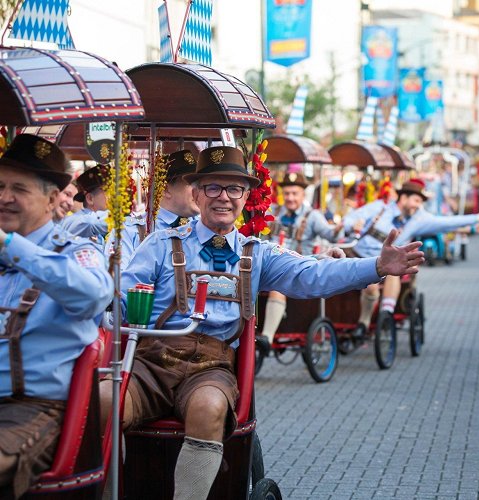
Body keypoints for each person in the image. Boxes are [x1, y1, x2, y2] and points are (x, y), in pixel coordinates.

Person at [101, 146, 424, 500]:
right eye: (212, 188)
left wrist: (376, 267)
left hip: (210, 368)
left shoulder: (257, 253)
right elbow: (120, 297)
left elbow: (311, 275)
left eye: (234, 189)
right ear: (195, 195)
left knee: (208, 408)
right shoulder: (161, 244)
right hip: (151, 363)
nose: (223, 197)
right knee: (103, 400)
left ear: (245, 197)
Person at [0, 134, 112, 498]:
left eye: (18, 188)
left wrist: (11, 247)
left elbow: (94, 295)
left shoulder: (77, 252)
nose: (4, 198)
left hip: (35, 410)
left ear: (52, 199)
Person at [342, 178, 479, 337]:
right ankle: (364, 323)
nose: (418, 205)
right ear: (403, 198)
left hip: (385, 265)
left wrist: (476, 218)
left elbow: (446, 222)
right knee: (370, 285)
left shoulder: (419, 218)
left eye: (421, 202)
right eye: (416, 200)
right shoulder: (380, 207)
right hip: (358, 256)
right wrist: (353, 224)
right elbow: (350, 218)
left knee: (393, 269)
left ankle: (386, 315)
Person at [259, 172, 343, 351]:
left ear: (303, 195)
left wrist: (338, 229)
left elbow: (330, 234)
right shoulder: (273, 211)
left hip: (298, 266)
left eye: (294, 193)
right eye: (287, 193)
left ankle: (266, 337)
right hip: (269, 263)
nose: (290, 198)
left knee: (277, 287)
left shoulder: (312, 216)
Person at [105, 149, 200, 267]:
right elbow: (119, 279)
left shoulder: (207, 228)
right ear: (166, 189)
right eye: (192, 184)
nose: (199, 191)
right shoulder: (130, 231)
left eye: (201, 185)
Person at [62, 164, 110, 245]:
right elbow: (92, 223)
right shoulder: (77, 221)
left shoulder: (100, 222)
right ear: (90, 198)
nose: (114, 196)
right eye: (108, 191)